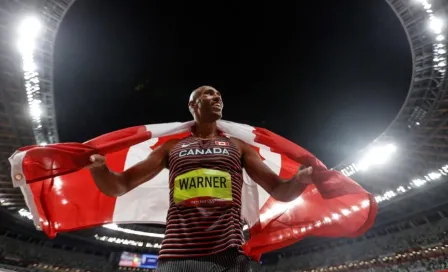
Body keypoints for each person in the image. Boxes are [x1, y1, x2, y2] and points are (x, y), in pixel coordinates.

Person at [88, 85, 313, 272]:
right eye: (208, 94)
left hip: (230, 257)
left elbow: (280, 190)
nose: (216, 98)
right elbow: (119, 185)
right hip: (177, 258)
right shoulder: (171, 148)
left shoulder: (238, 146)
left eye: (219, 96)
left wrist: (300, 180)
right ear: (192, 105)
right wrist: (100, 169)